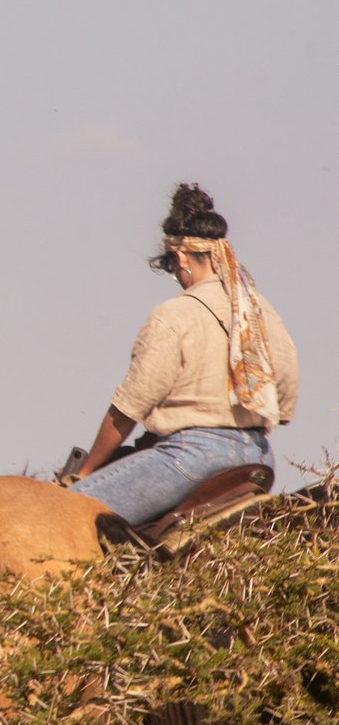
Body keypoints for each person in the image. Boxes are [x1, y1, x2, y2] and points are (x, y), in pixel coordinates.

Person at [66, 184, 300, 524]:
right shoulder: (262, 312)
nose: (177, 277)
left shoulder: (174, 315)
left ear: (180, 258)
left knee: (65, 513)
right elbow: (286, 399)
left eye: (174, 268)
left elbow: (130, 407)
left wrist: (84, 471)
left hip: (191, 457)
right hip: (259, 457)